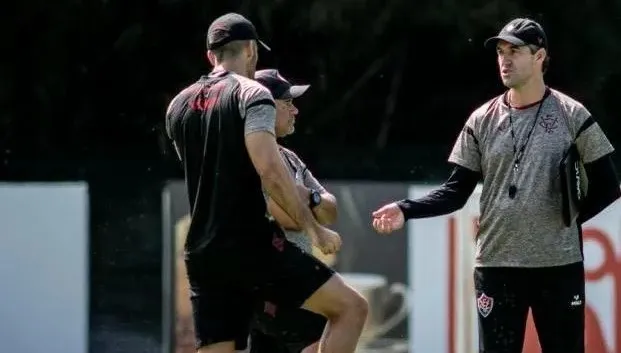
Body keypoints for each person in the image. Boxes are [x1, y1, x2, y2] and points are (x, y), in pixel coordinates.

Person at [371, 18, 620, 353]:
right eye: (501, 51)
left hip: (558, 266)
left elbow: (608, 185)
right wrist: (405, 209)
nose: (504, 59)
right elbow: (456, 192)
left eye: (514, 51)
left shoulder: (572, 115)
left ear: (539, 56)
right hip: (496, 266)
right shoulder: (481, 119)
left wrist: (565, 220)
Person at [165, 13, 367, 353]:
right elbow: (269, 171)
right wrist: (315, 232)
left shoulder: (177, 106)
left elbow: (205, 176)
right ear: (251, 51)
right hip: (249, 245)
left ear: (210, 55)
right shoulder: (252, 93)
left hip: (201, 252)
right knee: (352, 308)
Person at [244, 69, 336, 353]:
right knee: (350, 311)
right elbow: (287, 218)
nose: (295, 111)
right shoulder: (251, 158)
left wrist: (307, 197)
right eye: (287, 104)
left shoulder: (289, 157)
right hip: (274, 279)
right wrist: (312, 207)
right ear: (266, 109)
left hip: (291, 280)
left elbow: (331, 209)